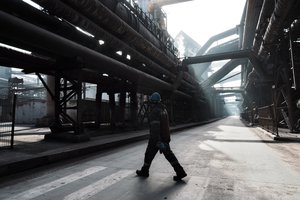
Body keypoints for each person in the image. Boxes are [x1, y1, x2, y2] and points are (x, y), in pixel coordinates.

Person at [136, 92, 187, 181]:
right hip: (165, 136)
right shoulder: (163, 109)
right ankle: (180, 172)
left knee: (149, 154)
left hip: (156, 138)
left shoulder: (155, 112)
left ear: (153, 102)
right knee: (168, 155)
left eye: (151, 102)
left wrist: (158, 141)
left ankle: (145, 171)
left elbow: (155, 127)